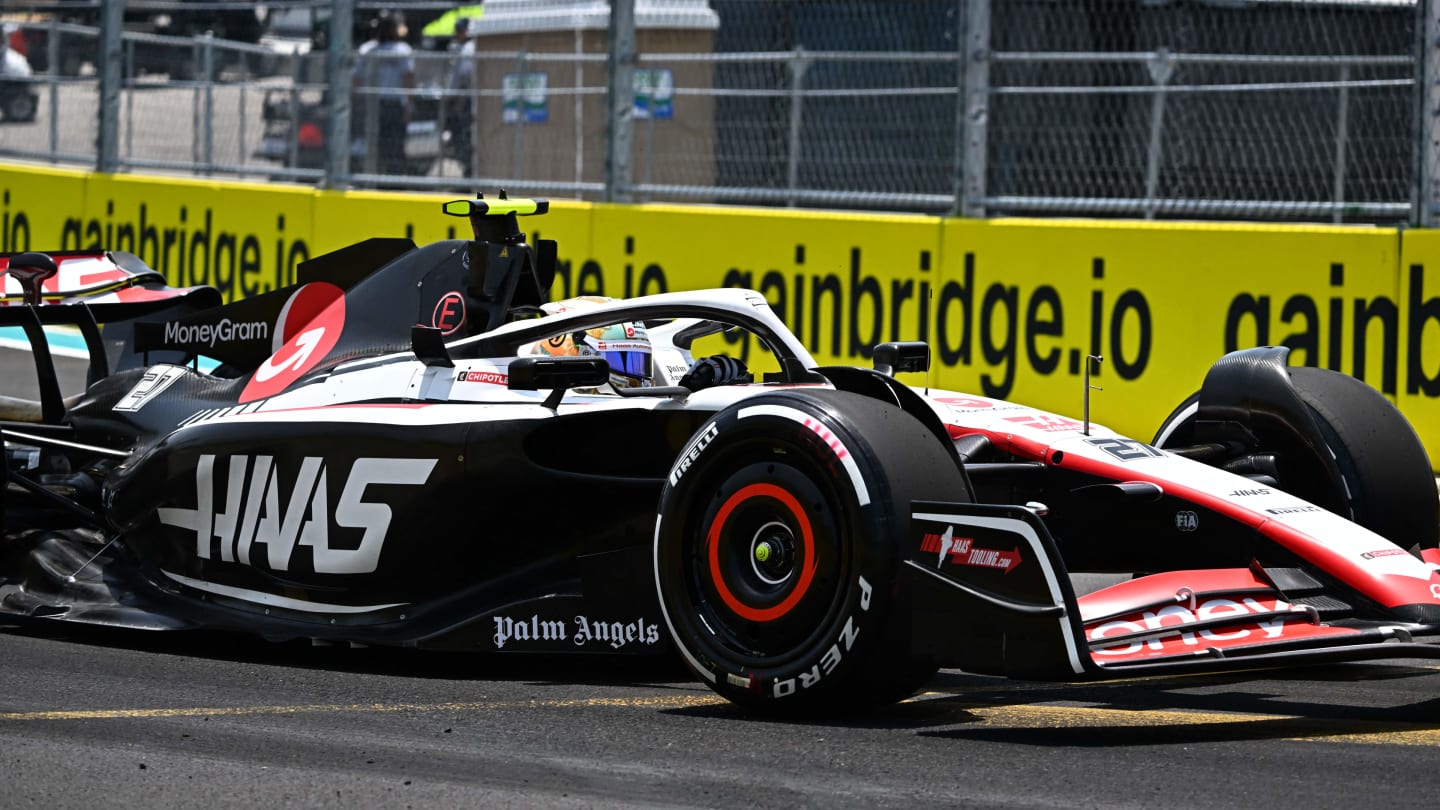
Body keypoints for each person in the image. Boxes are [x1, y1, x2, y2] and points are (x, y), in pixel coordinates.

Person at [353, 13, 416, 175]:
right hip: (388, 104)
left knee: (384, 144)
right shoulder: (374, 50)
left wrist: (358, 100)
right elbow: (408, 80)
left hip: (380, 104)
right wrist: (409, 105)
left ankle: (385, 177)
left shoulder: (369, 49)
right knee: (389, 145)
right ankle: (383, 177)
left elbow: (356, 79)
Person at [445, 17, 479, 176]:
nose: (457, 34)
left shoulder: (469, 48)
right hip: (464, 99)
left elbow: (466, 78)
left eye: (459, 31)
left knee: (464, 139)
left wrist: (460, 102)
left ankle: (469, 174)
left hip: (465, 101)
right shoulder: (466, 47)